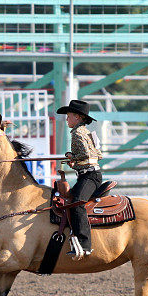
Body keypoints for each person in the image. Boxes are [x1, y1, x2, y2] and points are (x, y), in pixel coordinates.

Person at [56, 99, 103, 259]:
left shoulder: (77, 133)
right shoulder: (85, 132)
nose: (67, 119)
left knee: (76, 204)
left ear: (77, 117)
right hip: (90, 175)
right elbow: (98, 155)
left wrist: (72, 157)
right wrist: (74, 160)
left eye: (69, 116)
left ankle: (85, 245)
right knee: (70, 202)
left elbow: (86, 155)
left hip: (90, 176)